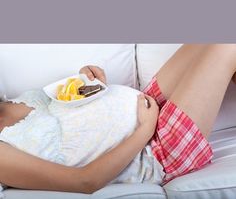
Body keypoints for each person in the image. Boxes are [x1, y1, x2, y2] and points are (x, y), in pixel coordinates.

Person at [0, 44, 236, 193]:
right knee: (227, 47)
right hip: (154, 152)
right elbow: (85, 181)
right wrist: (145, 128)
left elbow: (70, 124)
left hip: (145, 105)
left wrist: (89, 85)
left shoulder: (8, 101)